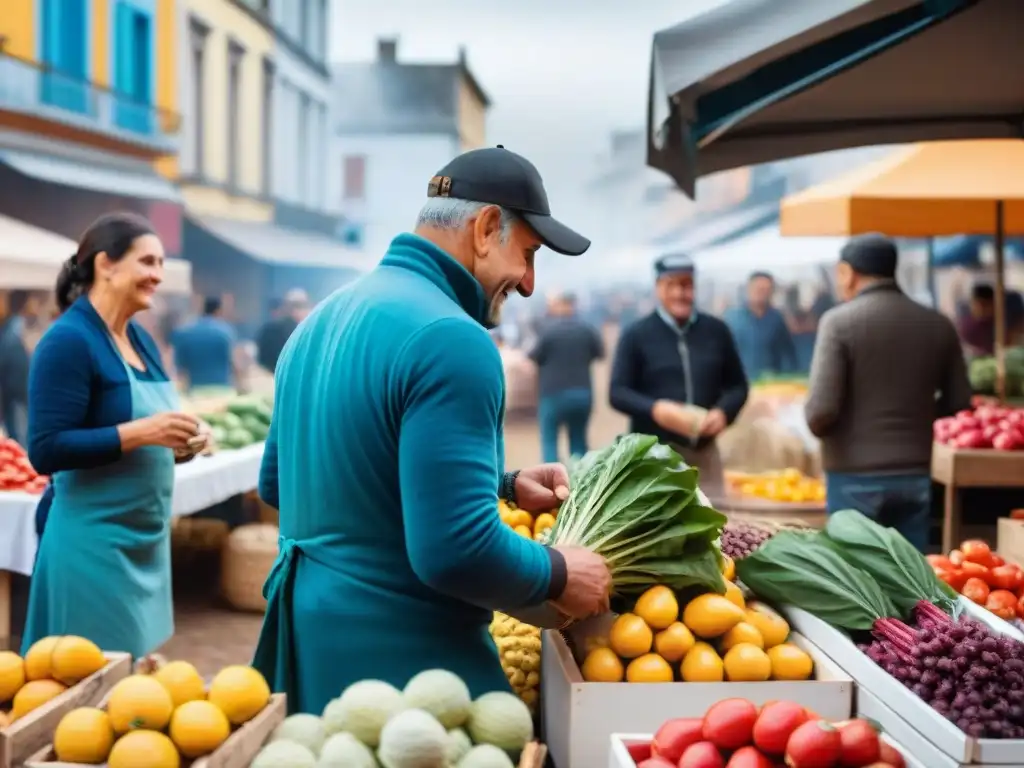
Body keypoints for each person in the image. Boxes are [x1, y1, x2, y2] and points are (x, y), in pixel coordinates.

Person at [253, 146, 612, 714]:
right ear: (487, 227)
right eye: (529, 254)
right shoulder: (453, 338)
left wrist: (499, 482)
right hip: (406, 666)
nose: (529, 284)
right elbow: (455, 550)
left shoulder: (320, 319)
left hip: (309, 645)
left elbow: (282, 484)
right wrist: (560, 571)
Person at [22, 212, 209, 657]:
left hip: (144, 544)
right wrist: (144, 431)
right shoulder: (68, 341)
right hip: (92, 549)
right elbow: (46, 450)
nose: (157, 276)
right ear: (106, 264)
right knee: (84, 696)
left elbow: (148, 435)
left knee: (134, 693)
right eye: (147, 262)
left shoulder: (140, 340)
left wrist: (182, 443)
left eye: (162, 264)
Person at [805, 233, 972, 551]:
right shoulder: (937, 324)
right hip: (917, 474)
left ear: (848, 272)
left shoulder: (838, 323)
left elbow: (820, 413)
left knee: (856, 578)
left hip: (853, 476)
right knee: (911, 583)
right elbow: (959, 402)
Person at [609, 254, 749, 496]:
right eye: (670, 285)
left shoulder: (716, 331)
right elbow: (618, 392)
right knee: (658, 527)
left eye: (686, 285)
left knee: (716, 525)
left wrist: (724, 412)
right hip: (654, 455)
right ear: (657, 288)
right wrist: (656, 410)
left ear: (694, 288)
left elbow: (738, 386)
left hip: (705, 454)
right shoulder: (636, 335)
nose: (679, 293)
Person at [529, 292, 604, 461]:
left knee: (550, 442)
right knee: (579, 443)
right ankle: (581, 484)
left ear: (559, 305)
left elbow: (533, 356)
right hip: (582, 393)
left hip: (552, 394)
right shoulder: (587, 329)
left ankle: (551, 483)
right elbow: (599, 353)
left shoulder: (548, 331)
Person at [724, 271, 798, 380]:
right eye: (758, 289)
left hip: (770, 383)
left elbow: (788, 352)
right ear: (749, 289)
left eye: (765, 290)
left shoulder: (776, 319)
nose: (761, 293)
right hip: (740, 382)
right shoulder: (732, 318)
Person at [0, 290, 41, 446]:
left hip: (15, 393)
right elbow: (14, 363)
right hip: (18, 394)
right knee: (20, 437)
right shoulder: (15, 329)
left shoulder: (12, 327)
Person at [171, 296, 237, 391]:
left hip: (195, 390)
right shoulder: (226, 332)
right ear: (218, 311)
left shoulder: (185, 332)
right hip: (221, 389)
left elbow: (180, 367)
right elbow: (234, 362)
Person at [256, 289, 309, 373]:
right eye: (292, 306)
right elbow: (262, 361)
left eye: (300, 306)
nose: (295, 311)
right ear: (285, 307)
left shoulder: (312, 333)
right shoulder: (269, 331)